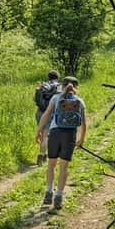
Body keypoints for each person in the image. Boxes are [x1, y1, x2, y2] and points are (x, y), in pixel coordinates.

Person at [35, 76, 86, 210]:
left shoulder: (56, 98)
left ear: (62, 86)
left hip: (55, 133)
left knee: (51, 165)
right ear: (77, 87)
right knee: (64, 167)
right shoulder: (79, 101)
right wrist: (81, 139)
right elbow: (83, 123)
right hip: (69, 135)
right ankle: (59, 197)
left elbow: (46, 114)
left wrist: (39, 131)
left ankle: (48, 192)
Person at [33, 70, 61, 166]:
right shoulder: (58, 87)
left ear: (48, 77)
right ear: (57, 77)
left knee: (40, 133)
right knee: (46, 136)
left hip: (39, 112)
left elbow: (36, 101)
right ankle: (41, 156)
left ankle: (44, 155)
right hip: (50, 113)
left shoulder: (42, 86)